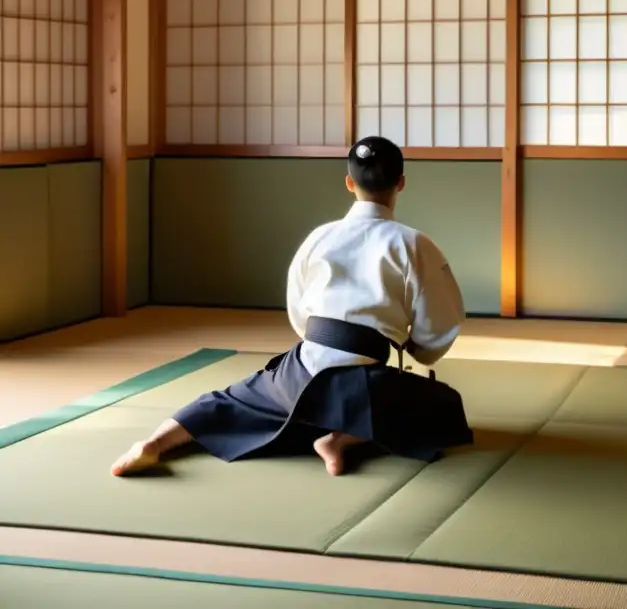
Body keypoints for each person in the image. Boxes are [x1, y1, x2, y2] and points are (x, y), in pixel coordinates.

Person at [110, 136, 473, 478]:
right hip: (364, 383)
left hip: (298, 373)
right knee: (443, 407)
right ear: (402, 183)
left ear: (349, 183)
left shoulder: (319, 237)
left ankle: (152, 443)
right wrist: (418, 349)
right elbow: (439, 321)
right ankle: (341, 437)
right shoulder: (413, 244)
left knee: (226, 400)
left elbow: (300, 312)